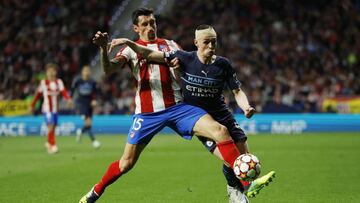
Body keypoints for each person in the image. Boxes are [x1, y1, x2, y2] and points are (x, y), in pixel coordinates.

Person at [80, 8, 245, 203]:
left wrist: (178, 70)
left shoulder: (170, 45)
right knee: (126, 164)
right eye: (145, 24)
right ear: (136, 28)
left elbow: (186, 68)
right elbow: (109, 70)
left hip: (178, 108)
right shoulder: (129, 50)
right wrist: (102, 49)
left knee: (220, 130)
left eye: (153, 22)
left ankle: (243, 179)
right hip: (147, 114)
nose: (150, 27)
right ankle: (96, 191)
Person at [107, 24, 276, 202]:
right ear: (196, 42)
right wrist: (128, 42)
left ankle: (234, 190)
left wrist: (246, 107)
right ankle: (246, 188)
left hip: (223, 115)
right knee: (233, 160)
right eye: (207, 42)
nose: (211, 46)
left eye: (214, 42)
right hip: (200, 118)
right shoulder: (184, 58)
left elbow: (237, 91)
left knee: (241, 158)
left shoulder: (223, 64)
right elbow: (149, 54)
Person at [30, 63, 73, 154]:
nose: (51, 73)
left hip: (55, 109)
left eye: (52, 71)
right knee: (51, 125)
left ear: (55, 72)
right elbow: (37, 95)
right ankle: (53, 145)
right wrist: (32, 105)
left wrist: (68, 99)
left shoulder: (59, 82)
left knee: (53, 127)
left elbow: (64, 92)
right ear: (46, 72)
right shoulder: (43, 83)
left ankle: (48, 142)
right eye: (49, 71)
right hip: (47, 109)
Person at [71, 65, 101, 148]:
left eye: (88, 71)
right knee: (88, 122)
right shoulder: (78, 81)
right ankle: (94, 141)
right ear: (82, 72)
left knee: (89, 124)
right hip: (81, 104)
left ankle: (80, 131)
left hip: (89, 104)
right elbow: (72, 90)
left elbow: (97, 93)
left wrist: (95, 100)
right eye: (85, 71)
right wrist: (70, 99)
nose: (87, 73)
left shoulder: (93, 82)